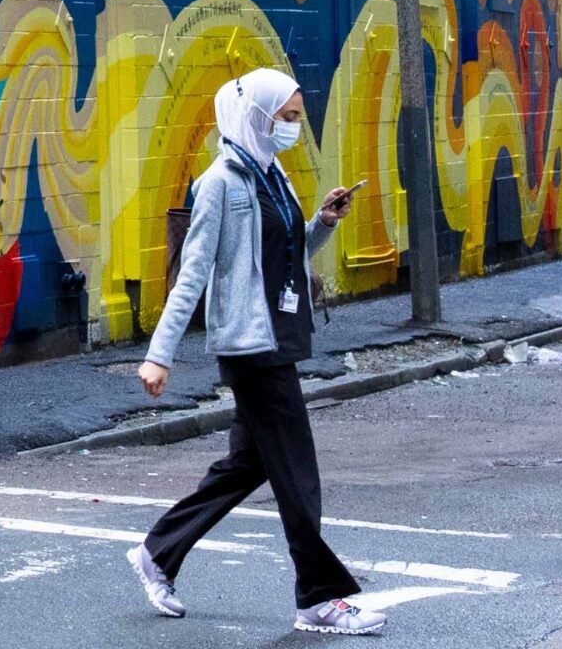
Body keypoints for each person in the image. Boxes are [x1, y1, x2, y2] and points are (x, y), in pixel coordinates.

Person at [124, 67, 383, 637]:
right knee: (297, 472)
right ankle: (319, 598)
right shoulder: (219, 182)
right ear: (257, 115)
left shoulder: (273, 174)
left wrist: (322, 223)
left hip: (279, 334)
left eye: (296, 118)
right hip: (249, 345)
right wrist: (159, 354)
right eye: (286, 118)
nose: (292, 127)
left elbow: (284, 252)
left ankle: (157, 553)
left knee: (249, 464)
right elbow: (192, 274)